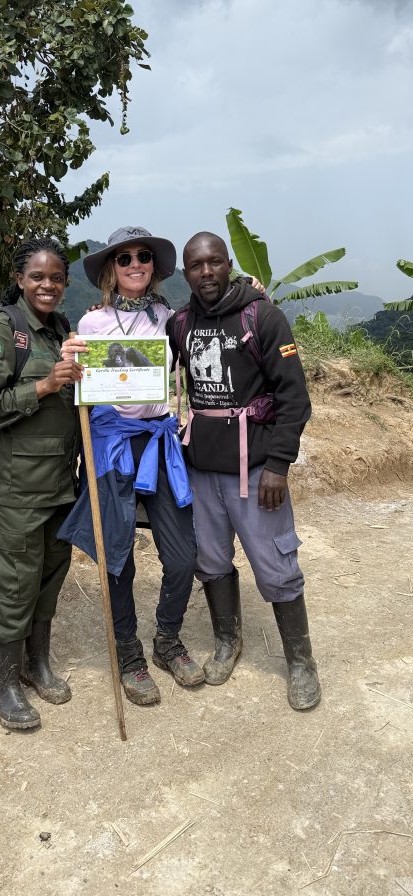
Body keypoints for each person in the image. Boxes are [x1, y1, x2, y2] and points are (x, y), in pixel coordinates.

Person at [169, 231, 321, 711]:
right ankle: (226, 640)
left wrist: (279, 464)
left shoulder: (262, 316)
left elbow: (294, 397)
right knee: (210, 561)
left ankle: (300, 661)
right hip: (202, 469)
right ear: (187, 273)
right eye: (197, 266)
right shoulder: (181, 323)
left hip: (255, 469)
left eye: (215, 262)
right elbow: (146, 372)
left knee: (276, 564)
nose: (207, 272)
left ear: (229, 263)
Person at [59, 227, 205, 707]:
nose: (135, 264)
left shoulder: (171, 318)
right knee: (117, 555)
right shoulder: (92, 324)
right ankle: (129, 652)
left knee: (183, 555)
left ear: (154, 265)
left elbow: (214, 322)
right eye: (125, 258)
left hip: (159, 443)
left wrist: (251, 293)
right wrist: (70, 360)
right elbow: (75, 382)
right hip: (111, 446)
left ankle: (167, 638)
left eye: (144, 256)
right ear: (111, 269)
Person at [0, 237, 83, 731]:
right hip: (15, 486)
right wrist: (45, 385)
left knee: (49, 576)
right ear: (19, 280)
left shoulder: (61, 331)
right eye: (38, 276)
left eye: (56, 277)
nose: (48, 285)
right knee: (14, 583)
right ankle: (3, 684)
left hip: (59, 481)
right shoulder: (3, 332)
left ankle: (36, 665)